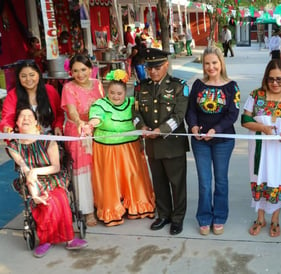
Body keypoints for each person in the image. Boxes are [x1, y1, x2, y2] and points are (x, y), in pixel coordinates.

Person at [6, 108, 88, 258]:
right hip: (31, 181)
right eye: (22, 116)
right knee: (43, 202)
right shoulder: (14, 145)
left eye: (29, 116)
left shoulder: (48, 139)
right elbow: (23, 166)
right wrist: (34, 192)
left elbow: (56, 167)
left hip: (52, 176)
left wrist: (35, 171)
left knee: (58, 199)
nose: (26, 119)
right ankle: (46, 240)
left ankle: (68, 239)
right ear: (16, 123)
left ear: (36, 121)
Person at [241, 59, 281, 237]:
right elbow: (245, 120)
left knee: (279, 181)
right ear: (266, 79)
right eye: (271, 79)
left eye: (279, 79)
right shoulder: (256, 95)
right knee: (260, 178)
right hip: (260, 150)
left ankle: (275, 218)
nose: (275, 83)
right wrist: (263, 128)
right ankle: (260, 218)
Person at [85, 69, 155, 226]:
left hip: (129, 147)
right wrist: (90, 124)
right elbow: (97, 118)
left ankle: (137, 204)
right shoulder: (100, 104)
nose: (115, 96)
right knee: (111, 179)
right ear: (107, 92)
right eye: (112, 93)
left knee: (133, 175)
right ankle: (112, 209)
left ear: (125, 92)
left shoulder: (132, 103)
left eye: (119, 93)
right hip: (107, 148)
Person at [134, 48, 189, 235]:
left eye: (157, 67)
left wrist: (161, 130)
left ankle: (177, 218)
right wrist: (140, 127)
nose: (153, 72)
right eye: (149, 68)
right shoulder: (141, 87)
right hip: (151, 144)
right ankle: (164, 214)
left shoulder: (179, 86)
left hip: (172, 143)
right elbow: (136, 112)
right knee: (159, 182)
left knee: (177, 183)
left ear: (166, 64)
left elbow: (179, 115)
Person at [186, 47, 240, 236]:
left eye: (214, 63)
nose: (211, 67)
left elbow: (233, 114)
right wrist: (193, 127)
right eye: (207, 63)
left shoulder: (231, 86)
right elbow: (191, 109)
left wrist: (215, 130)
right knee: (205, 182)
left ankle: (219, 217)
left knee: (221, 180)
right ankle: (204, 217)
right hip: (200, 140)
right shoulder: (199, 85)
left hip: (223, 140)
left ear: (221, 63)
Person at [61, 54, 104, 227]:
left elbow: (103, 107)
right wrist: (80, 123)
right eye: (75, 71)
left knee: (100, 168)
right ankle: (87, 211)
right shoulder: (68, 87)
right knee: (83, 172)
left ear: (90, 69)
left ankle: (103, 204)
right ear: (70, 72)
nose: (80, 74)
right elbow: (71, 111)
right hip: (77, 132)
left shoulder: (98, 84)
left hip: (98, 130)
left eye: (83, 70)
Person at [0, 60, 64, 135]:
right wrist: (7, 128)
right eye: (23, 76)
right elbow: (7, 118)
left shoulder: (50, 90)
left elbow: (60, 113)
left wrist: (58, 126)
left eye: (32, 75)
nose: (28, 79)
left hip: (49, 138)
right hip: (23, 140)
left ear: (39, 75)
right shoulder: (12, 95)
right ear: (18, 78)